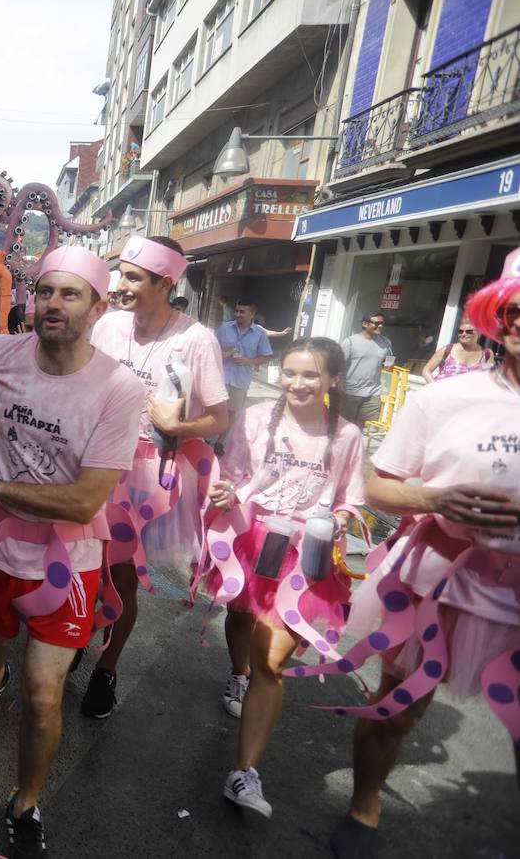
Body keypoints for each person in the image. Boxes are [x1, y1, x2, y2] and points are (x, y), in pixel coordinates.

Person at [0, 247, 146, 859]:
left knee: (44, 694)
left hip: (68, 559)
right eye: (44, 292)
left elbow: (86, 501)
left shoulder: (119, 387)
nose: (52, 305)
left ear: (97, 306)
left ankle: (26, 802)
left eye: (69, 295)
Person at [323, 248, 520, 859]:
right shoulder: (443, 400)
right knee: (397, 709)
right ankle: (365, 804)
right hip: (438, 580)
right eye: (514, 308)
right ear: (499, 315)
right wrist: (433, 497)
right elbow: (379, 486)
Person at [201, 337, 364, 818]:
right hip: (251, 538)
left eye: (311, 375)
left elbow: (351, 499)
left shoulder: (347, 435)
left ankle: (243, 771)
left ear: (333, 379)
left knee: (271, 660)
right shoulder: (255, 418)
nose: (298, 383)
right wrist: (223, 492)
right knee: (239, 616)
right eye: (290, 372)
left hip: (303, 554)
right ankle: (237, 673)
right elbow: (230, 471)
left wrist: (336, 520)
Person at [86, 235, 228, 719]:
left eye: (131, 277)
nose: (119, 285)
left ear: (166, 283)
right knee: (85, 564)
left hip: (152, 475)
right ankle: (70, 644)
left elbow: (219, 419)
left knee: (121, 573)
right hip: (95, 460)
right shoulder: (106, 326)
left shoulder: (195, 340)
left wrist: (177, 427)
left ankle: (107, 665)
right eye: (119, 273)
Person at [216, 298, 274, 447]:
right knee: (214, 409)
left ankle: (220, 442)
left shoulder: (260, 334)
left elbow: (267, 356)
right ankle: (203, 439)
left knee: (232, 413)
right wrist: (226, 352)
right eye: (236, 310)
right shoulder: (225, 328)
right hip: (219, 378)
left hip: (240, 380)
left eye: (242, 311)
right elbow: (211, 348)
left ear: (252, 313)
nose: (238, 314)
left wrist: (249, 361)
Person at [339, 311, 393, 428]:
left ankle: (355, 446)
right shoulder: (350, 342)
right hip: (351, 391)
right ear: (365, 324)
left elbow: (386, 361)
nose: (380, 326)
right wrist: (340, 381)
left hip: (373, 392)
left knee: (361, 425)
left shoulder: (386, 343)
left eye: (382, 323)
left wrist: (387, 365)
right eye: (377, 323)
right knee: (344, 426)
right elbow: (338, 364)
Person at [422, 315, 493, 382]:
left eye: (469, 331)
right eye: (460, 331)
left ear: (479, 333)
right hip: (443, 393)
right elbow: (426, 370)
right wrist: (435, 387)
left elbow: (488, 377)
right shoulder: (448, 350)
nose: (464, 334)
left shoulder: (487, 354)